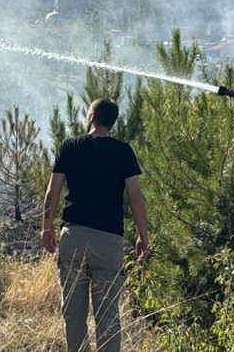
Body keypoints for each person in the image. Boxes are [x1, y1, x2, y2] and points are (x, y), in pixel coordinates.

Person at [42, 98, 149, 352]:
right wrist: (143, 236)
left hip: (74, 236)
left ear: (91, 116)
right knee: (108, 317)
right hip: (109, 242)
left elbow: (52, 192)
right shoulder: (124, 152)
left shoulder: (69, 146)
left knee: (74, 315)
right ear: (111, 122)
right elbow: (136, 199)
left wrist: (46, 225)